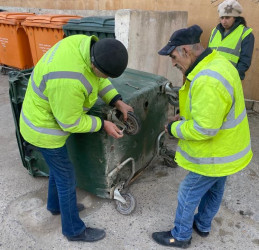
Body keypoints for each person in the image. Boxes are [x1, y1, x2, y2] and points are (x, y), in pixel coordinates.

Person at [19, 34, 133, 242]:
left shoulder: (86, 46)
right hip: (43, 129)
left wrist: (117, 100)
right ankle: (73, 230)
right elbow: (70, 122)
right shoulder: (69, 79)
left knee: (59, 169)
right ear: (93, 63)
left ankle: (55, 206)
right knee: (67, 176)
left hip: (43, 117)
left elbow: (97, 79)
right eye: (105, 74)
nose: (105, 79)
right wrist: (102, 124)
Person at [152, 25, 253, 248]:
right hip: (229, 149)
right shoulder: (218, 62)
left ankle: (180, 236)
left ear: (186, 51)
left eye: (173, 56)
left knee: (188, 191)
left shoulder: (207, 79)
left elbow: (204, 129)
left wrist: (173, 129)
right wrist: (186, 115)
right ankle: (203, 225)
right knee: (216, 188)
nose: (173, 62)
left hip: (214, 153)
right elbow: (212, 110)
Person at [208, 0, 254, 80]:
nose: (224, 21)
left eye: (227, 17)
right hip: (211, 77)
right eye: (222, 18)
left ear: (235, 18)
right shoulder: (214, 31)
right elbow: (208, 54)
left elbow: (245, 62)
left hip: (230, 80)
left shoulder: (245, 34)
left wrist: (233, 78)